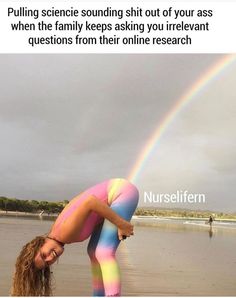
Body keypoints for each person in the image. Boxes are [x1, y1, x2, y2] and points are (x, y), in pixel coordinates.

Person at [11, 178, 139, 297]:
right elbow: (83, 202)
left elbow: (90, 201)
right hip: (115, 193)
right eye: (48, 263)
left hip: (122, 193)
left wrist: (121, 224)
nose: (51, 258)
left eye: (44, 255)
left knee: (103, 252)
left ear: (41, 242)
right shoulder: (57, 233)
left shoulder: (64, 233)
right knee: (92, 252)